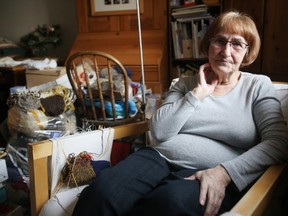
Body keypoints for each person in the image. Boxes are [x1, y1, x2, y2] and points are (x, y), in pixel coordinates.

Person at [72, 11, 288, 216]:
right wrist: (197, 95)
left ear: (248, 52)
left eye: (237, 44)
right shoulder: (185, 84)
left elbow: (278, 142)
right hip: (157, 157)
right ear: (208, 45)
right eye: (220, 41)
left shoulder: (258, 85)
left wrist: (225, 172)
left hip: (212, 169)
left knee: (168, 203)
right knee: (101, 193)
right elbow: (159, 132)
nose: (226, 51)